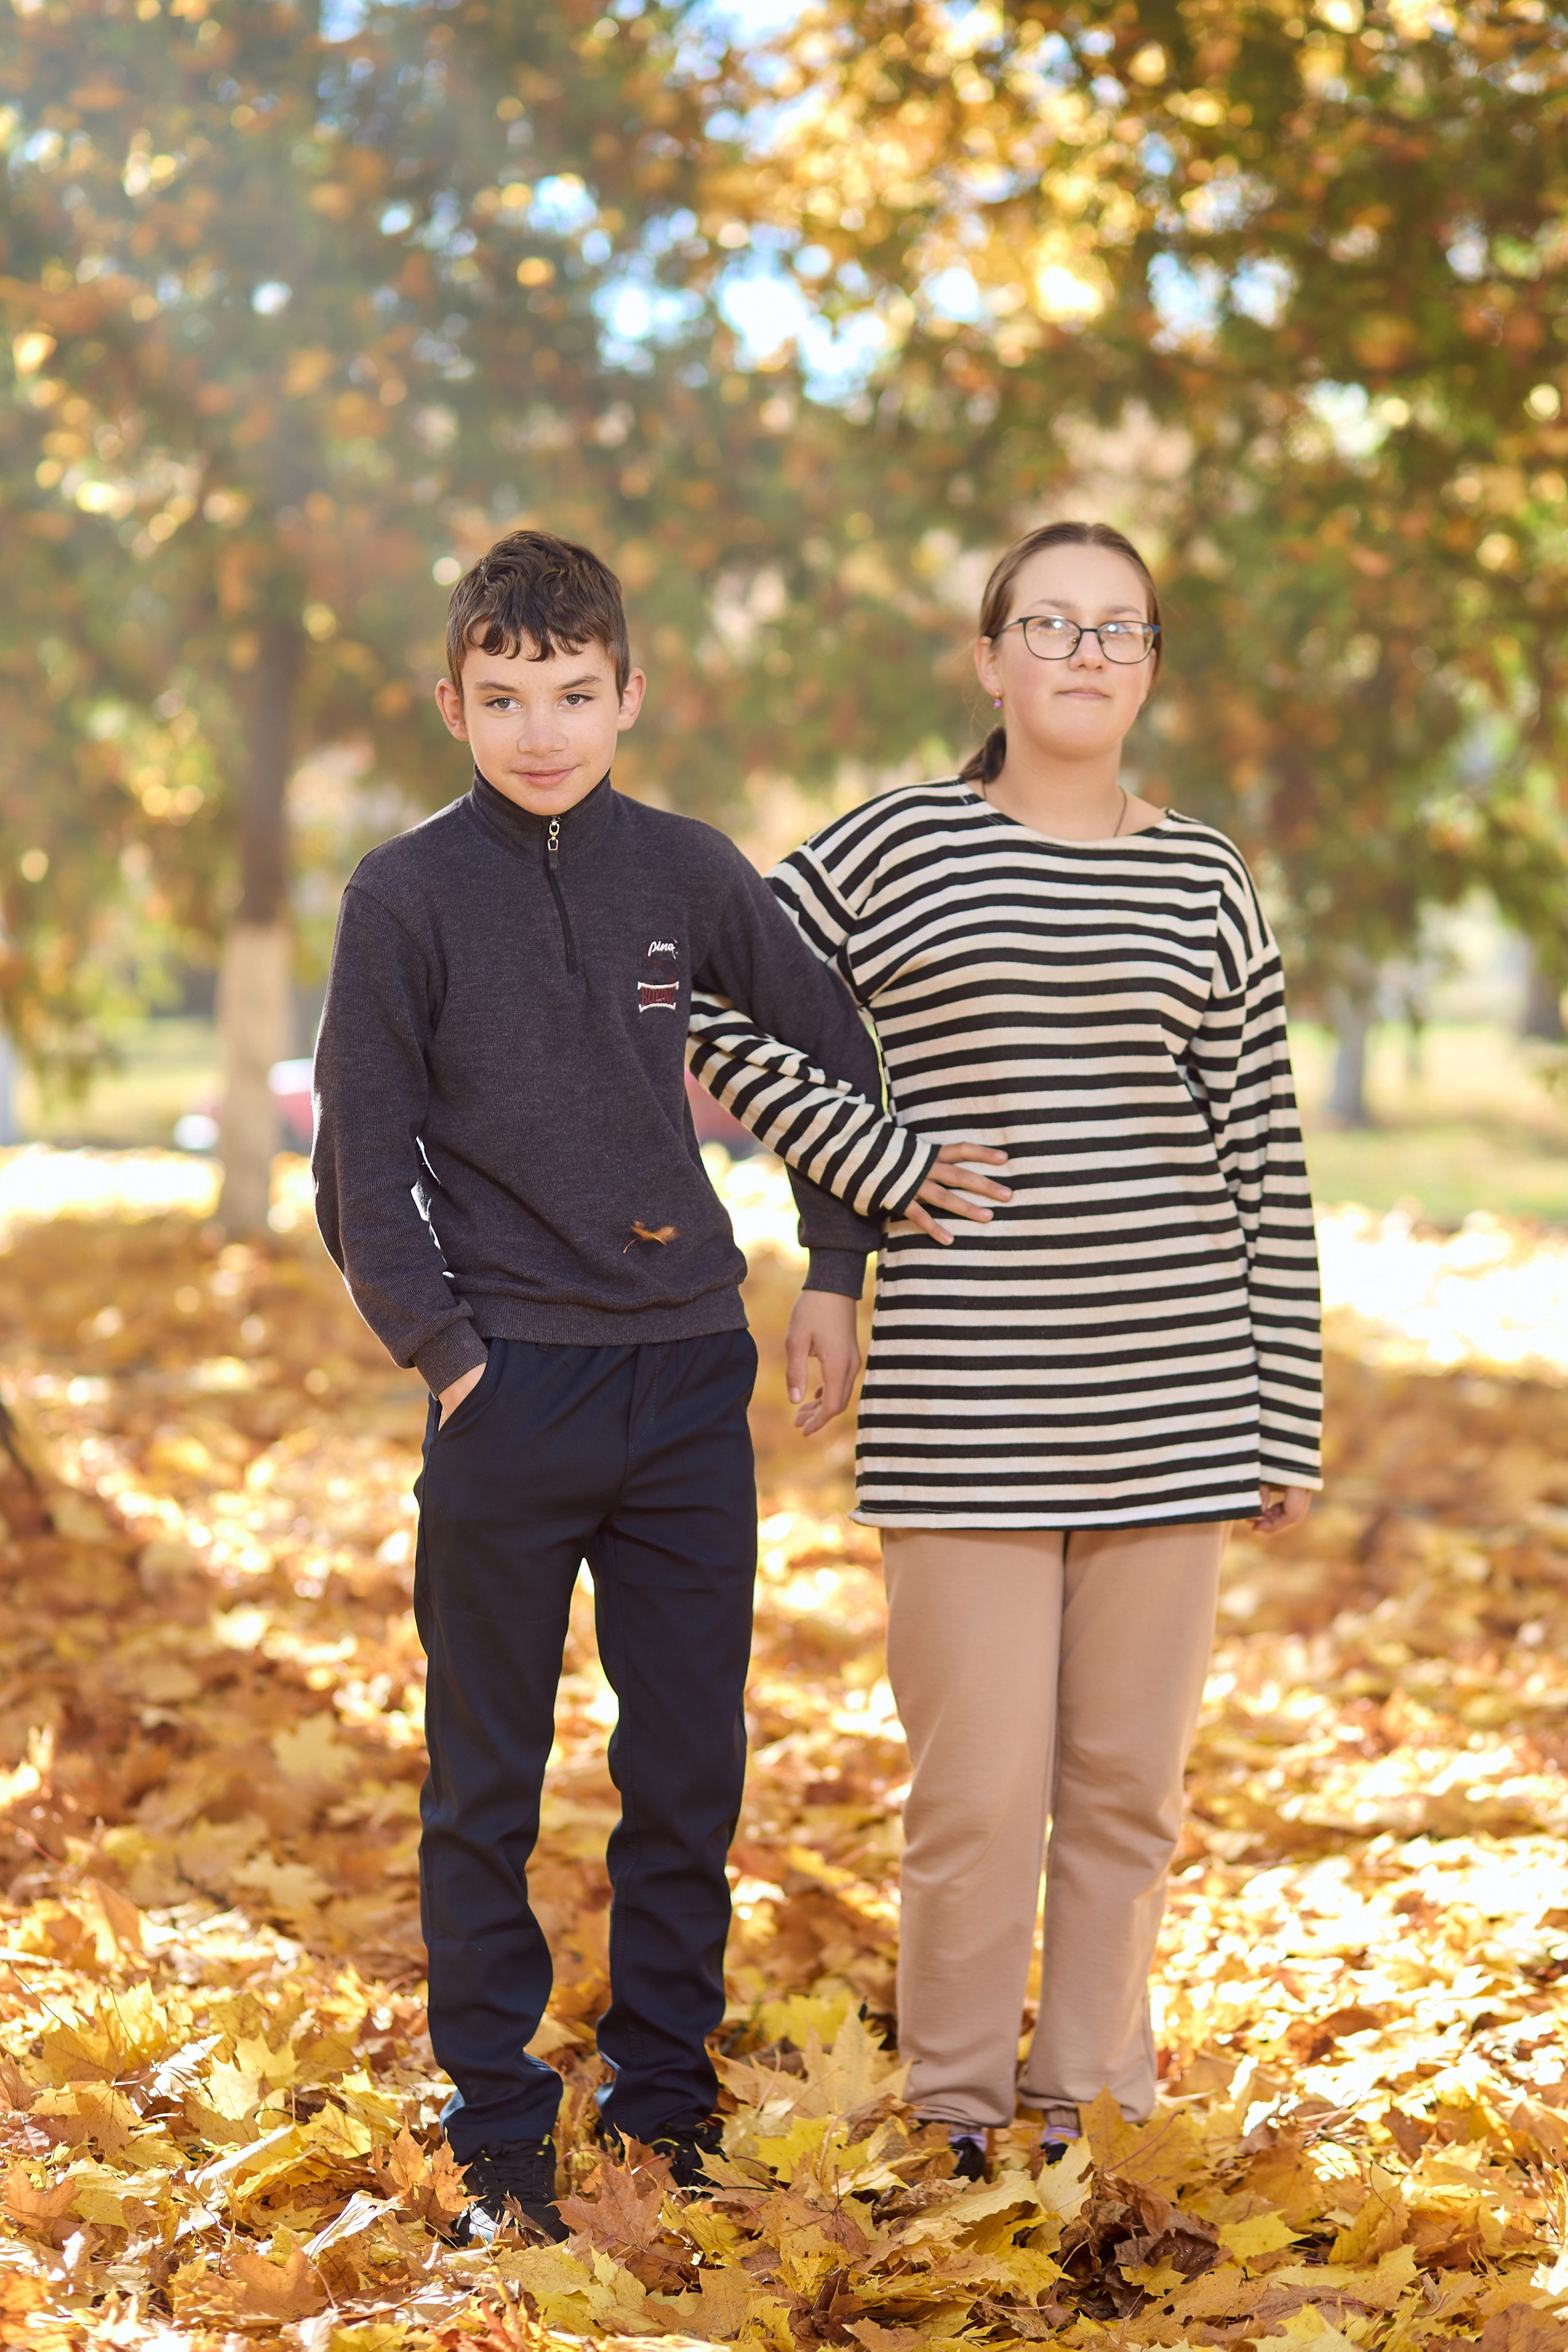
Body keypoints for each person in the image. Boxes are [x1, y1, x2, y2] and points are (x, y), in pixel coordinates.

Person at [311, 530, 986, 2243]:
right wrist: (450, 1357)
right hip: (507, 1394)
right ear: (451, 699)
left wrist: (837, 1268)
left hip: (689, 1378)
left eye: (576, 695)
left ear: (630, 694)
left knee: (687, 1768)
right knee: (486, 1776)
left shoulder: (688, 873)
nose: (543, 731)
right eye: (508, 698)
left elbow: (833, 1059)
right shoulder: (403, 895)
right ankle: (495, 2130)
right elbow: (358, 1160)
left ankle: (667, 2107)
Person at [687, 519, 1322, 2176]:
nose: (1087, 654)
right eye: (1052, 624)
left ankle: (1093, 2108)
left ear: (1150, 667)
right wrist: (879, 1163)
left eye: (1120, 629)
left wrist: (1284, 1416)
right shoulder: (899, 844)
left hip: (1181, 1393)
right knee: (975, 1793)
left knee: (1125, 1791)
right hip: (967, 1393)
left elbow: (1259, 1147)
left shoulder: (1203, 873)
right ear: (991, 661)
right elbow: (704, 997)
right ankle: (957, 2114)